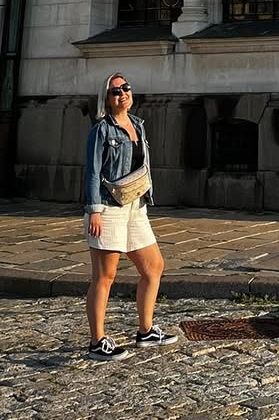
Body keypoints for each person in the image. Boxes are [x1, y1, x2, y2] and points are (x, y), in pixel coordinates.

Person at [83, 70, 178, 359]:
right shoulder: (101, 130)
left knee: (153, 267)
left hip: (135, 207)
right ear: (107, 99)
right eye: (115, 91)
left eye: (125, 88)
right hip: (108, 208)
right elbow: (92, 172)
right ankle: (97, 341)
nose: (122, 93)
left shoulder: (137, 124)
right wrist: (94, 211)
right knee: (105, 275)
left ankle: (146, 330)